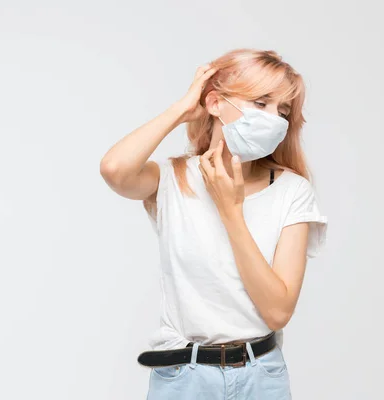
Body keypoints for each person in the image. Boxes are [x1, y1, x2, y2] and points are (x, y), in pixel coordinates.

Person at [99, 48, 328, 399]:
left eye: (282, 111)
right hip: (183, 378)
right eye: (261, 103)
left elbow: (278, 310)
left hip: (261, 376)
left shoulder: (291, 191)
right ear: (216, 103)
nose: (273, 119)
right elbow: (115, 170)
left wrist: (231, 210)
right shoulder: (174, 179)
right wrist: (181, 110)